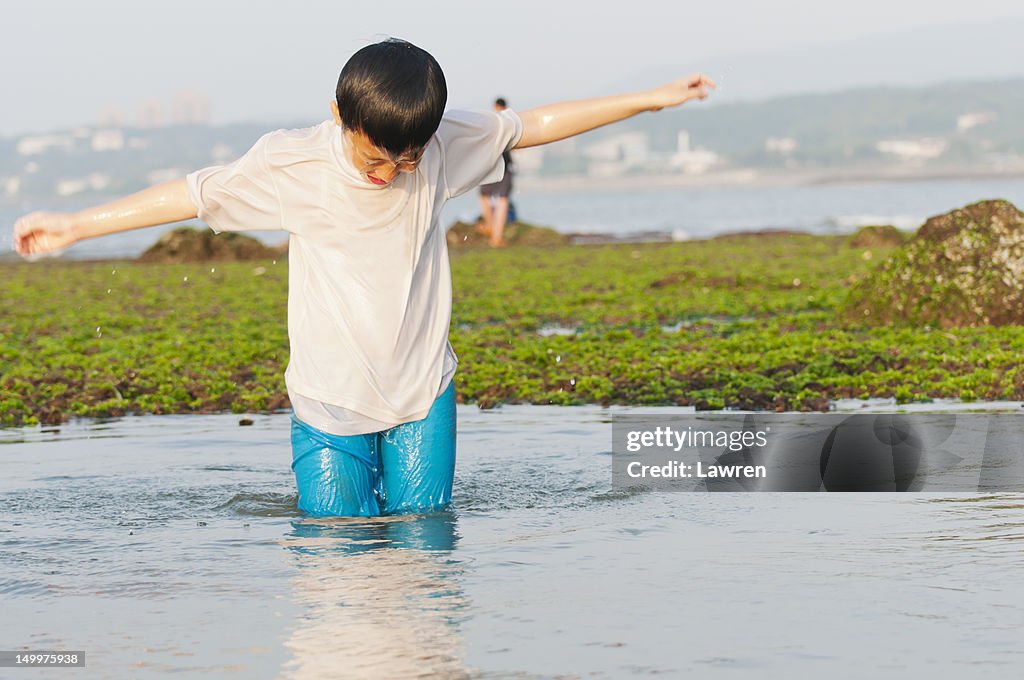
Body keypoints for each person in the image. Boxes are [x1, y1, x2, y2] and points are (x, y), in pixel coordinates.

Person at [12, 38, 714, 518]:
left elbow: (531, 125)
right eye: (376, 157)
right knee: (334, 550)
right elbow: (188, 195)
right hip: (329, 401)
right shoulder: (293, 165)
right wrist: (76, 226)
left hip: (421, 394)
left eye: (407, 159)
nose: (391, 173)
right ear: (339, 117)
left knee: (423, 542)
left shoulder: (438, 147)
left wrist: (654, 99)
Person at [478, 97, 514, 247]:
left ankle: (490, 228)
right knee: (502, 200)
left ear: (495, 106)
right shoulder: (511, 122)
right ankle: (496, 236)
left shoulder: (491, 122)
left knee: (485, 197)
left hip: (489, 165)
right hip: (504, 167)